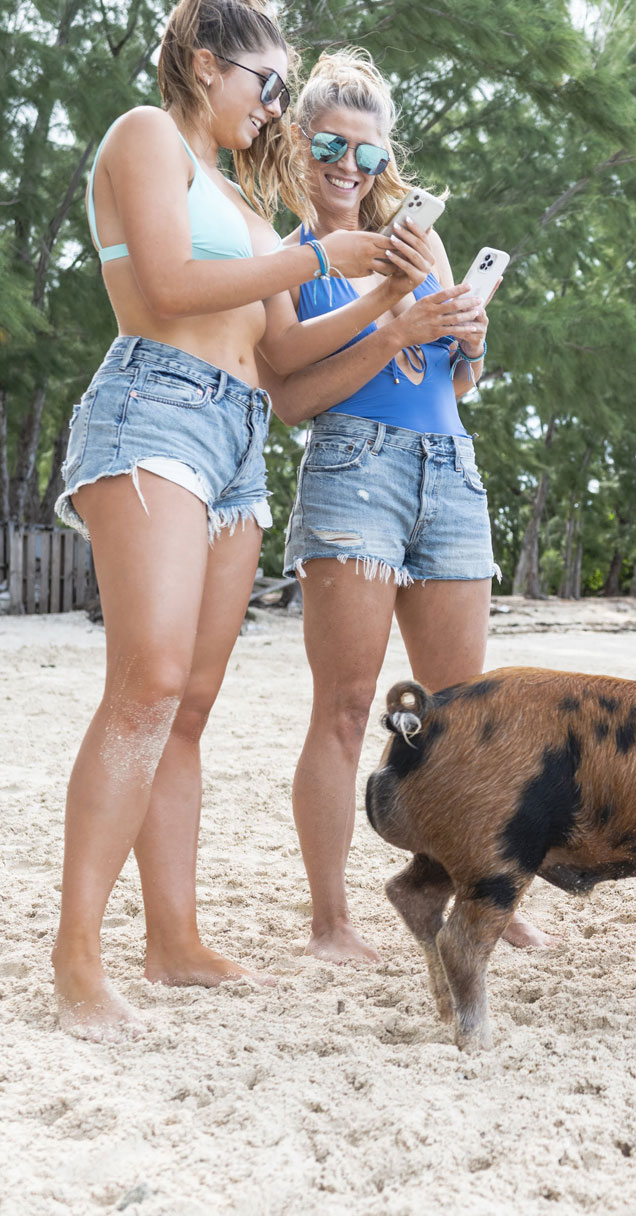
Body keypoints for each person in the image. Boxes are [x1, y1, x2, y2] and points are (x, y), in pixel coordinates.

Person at [49, 0, 421, 1042]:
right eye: (263, 80)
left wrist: (386, 292)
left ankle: (174, 939)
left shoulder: (253, 210)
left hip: (238, 438)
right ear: (207, 64)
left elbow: (283, 349)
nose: (271, 104)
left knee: (191, 705)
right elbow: (164, 286)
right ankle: (78, 952)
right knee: (148, 679)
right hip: (152, 410)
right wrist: (315, 252)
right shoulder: (145, 139)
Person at [255, 48, 552, 962]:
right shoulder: (279, 253)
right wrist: (393, 328)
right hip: (355, 471)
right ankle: (331, 921)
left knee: (458, 712)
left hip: (449, 470)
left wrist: (471, 339)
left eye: (370, 154)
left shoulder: (417, 245)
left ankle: (469, 893)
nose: (351, 168)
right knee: (349, 707)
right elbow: (291, 398)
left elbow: (453, 383)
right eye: (332, 147)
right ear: (298, 145)